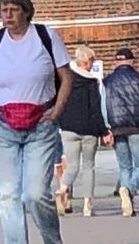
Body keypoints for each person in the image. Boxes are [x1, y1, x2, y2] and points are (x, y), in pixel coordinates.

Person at [0, 0, 72, 244]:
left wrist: (56, 111)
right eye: (4, 11)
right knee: (8, 194)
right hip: (2, 125)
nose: (9, 15)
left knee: (34, 194)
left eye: (14, 10)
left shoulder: (46, 37)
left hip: (40, 124)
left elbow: (66, 77)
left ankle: (52, 239)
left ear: (26, 12)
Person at [102, 46, 139, 217]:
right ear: (131, 61)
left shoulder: (107, 82)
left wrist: (106, 128)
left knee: (125, 166)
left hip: (117, 127)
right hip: (137, 126)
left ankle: (127, 202)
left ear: (116, 62)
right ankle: (129, 191)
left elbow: (104, 106)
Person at [55, 45, 109, 217]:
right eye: (91, 61)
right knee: (88, 167)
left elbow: (58, 102)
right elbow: (95, 108)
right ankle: (87, 205)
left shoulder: (65, 79)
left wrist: (61, 121)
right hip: (89, 130)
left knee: (72, 166)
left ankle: (62, 189)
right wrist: (104, 131)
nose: (92, 65)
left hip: (68, 128)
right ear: (86, 62)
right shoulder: (91, 82)